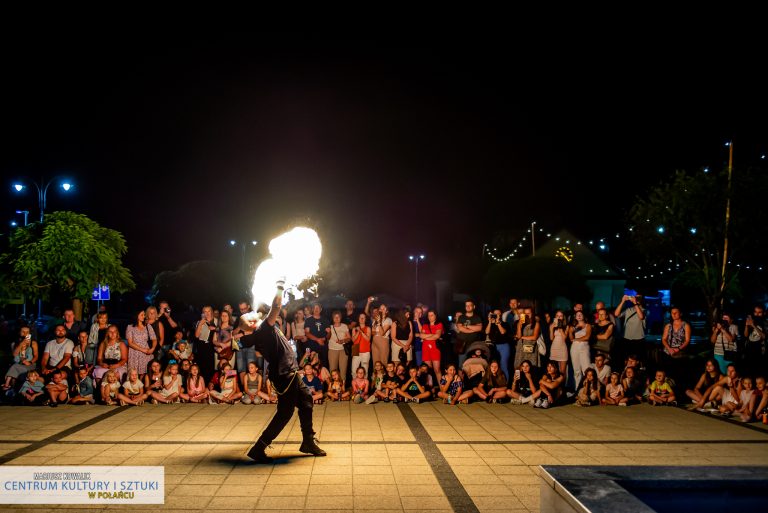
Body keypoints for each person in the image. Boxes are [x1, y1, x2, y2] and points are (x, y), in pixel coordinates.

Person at [242, 278, 325, 463]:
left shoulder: (266, 328)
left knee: (306, 401)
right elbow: (277, 306)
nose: (255, 314)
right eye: (251, 317)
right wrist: (279, 286)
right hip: (284, 375)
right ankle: (259, 448)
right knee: (285, 413)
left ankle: (308, 442)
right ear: (251, 324)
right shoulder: (263, 328)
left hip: (289, 372)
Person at [4, 326, 38, 391]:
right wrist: (22, 343)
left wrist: (30, 362)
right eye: (23, 332)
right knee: (15, 367)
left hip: (30, 364)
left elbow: (36, 356)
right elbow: (15, 355)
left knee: (14, 367)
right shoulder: (14, 343)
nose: (25, 334)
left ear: (30, 333)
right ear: (19, 332)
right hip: (19, 363)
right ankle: (14, 390)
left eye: (27, 332)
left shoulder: (33, 343)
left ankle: (7, 385)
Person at [614, 294, 646, 364]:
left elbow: (641, 316)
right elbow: (616, 314)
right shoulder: (628, 310)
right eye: (636, 297)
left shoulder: (644, 310)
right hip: (626, 338)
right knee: (626, 360)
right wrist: (622, 301)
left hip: (639, 339)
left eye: (639, 297)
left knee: (637, 361)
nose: (636, 298)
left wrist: (635, 303)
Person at [455, 301, 483, 366]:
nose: (468, 307)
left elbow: (479, 328)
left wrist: (467, 326)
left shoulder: (477, 317)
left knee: (473, 365)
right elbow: (460, 328)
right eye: (466, 305)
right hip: (462, 345)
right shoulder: (461, 317)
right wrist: (473, 329)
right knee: (461, 365)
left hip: (474, 345)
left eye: (470, 305)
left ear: (474, 307)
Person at [351, 313, 372, 377]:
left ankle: (365, 385)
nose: (362, 319)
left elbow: (368, 339)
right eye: (360, 317)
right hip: (355, 348)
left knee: (365, 370)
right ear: (358, 319)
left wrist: (361, 331)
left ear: (365, 319)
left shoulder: (368, 328)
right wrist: (358, 331)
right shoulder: (354, 329)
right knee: (354, 369)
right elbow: (353, 340)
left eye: (363, 318)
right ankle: (354, 385)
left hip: (366, 350)